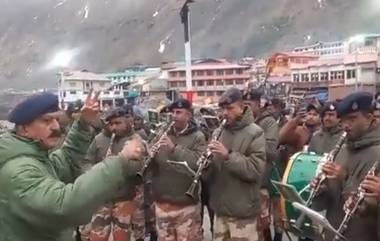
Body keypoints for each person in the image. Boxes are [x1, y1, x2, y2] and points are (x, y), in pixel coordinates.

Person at [0, 91, 145, 241]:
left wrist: (83, 123)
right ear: (24, 129)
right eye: (46, 121)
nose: (56, 126)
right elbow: (65, 207)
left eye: (56, 119)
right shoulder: (19, 170)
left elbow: (67, 159)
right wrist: (120, 162)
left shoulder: (35, 158)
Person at [311, 92, 380, 241]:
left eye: (353, 119)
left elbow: (368, 207)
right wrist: (321, 190)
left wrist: (345, 178)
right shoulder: (342, 149)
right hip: (333, 233)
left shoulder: (377, 152)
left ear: (369, 118)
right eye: (343, 120)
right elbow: (332, 200)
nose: (346, 125)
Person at [207, 88, 266, 241]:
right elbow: (212, 171)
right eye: (223, 109)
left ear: (241, 107)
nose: (225, 113)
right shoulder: (219, 132)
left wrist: (227, 156)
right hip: (221, 210)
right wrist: (206, 163)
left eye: (230, 108)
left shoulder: (255, 133)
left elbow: (255, 170)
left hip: (242, 213)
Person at [83, 107, 149, 241]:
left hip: (123, 198)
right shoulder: (99, 139)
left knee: (122, 237)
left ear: (127, 122)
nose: (113, 127)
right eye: (111, 124)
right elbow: (86, 161)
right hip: (101, 198)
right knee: (97, 236)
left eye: (118, 123)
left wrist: (116, 163)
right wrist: (94, 172)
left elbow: (138, 167)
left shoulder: (135, 140)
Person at [150, 98, 207, 241]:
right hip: (162, 203)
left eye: (179, 112)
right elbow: (150, 160)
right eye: (173, 112)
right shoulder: (162, 133)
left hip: (186, 204)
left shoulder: (198, 137)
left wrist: (174, 149)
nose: (174, 116)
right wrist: (149, 153)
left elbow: (198, 163)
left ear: (188, 115)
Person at [242, 89, 281, 241]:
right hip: (244, 182)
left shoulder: (268, 122)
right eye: (243, 104)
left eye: (249, 104)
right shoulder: (240, 123)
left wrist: (248, 139)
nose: (246, 108)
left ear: (258, 105)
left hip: (261, 183)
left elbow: (271, 151)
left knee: (262, 225)